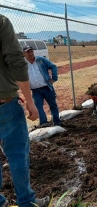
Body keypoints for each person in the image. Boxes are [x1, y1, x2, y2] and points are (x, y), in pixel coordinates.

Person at [0, 14, 50, 207]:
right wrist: (29, 101)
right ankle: (27, 201)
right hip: (4, 103)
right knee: (18, 154)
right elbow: (15, 60)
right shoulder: (2, 22)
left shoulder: (43, 62)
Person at [23, 45, 61, 127]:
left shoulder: (40, 60)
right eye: (28, 52)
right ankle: (44, 123)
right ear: (24, 54)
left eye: (31, 51)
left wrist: (54, 78)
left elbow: (53, 66)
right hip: (35, 90)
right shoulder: (23, 64)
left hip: (47, 87)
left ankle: (57, 122)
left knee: (53, 104)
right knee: (38, 106)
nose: (30, 53)